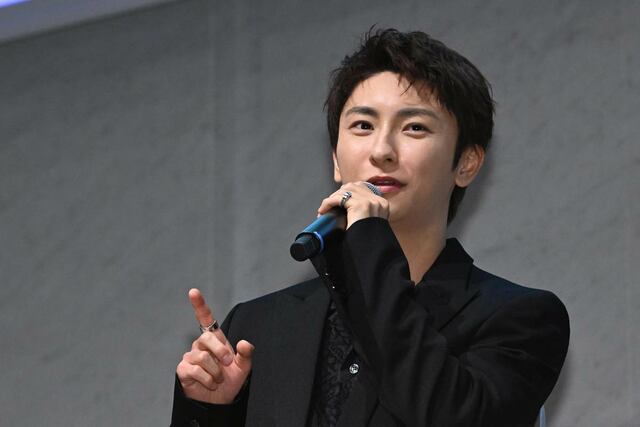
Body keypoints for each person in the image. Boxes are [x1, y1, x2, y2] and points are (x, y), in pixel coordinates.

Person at [170, 28, 570, 427]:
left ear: (466, 163)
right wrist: (210, 411)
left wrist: (370, 241)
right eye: (363, 126)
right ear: (335, 159)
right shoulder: (260, 325)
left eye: (414, 127)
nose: (381, 151)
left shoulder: (519, 318)